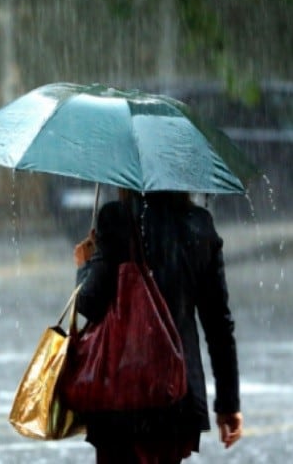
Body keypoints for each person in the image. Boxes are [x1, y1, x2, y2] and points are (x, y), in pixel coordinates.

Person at [72, 188, 243, 464]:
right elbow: (218, 324)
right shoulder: (199, 224)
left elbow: (89, 303)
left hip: (120, 392)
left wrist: (85, 265)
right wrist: (228, 404)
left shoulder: (116, 218)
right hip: (175, 394)